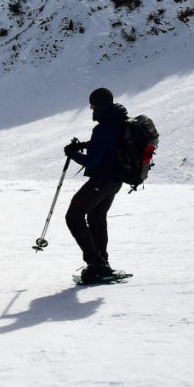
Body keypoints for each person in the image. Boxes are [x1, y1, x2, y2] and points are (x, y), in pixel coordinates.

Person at [63, 87, 128, 282]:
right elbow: (107, 146)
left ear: (99, 105)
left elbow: (92, 162)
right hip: (114, 181)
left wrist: (72, 153)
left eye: (92, 105)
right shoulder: (118, 120)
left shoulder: (104, 127)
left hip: (102, 180)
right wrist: (83, 145)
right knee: (96, 216)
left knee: (74, 216)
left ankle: (96, 263)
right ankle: (102, 263)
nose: (91, 109)